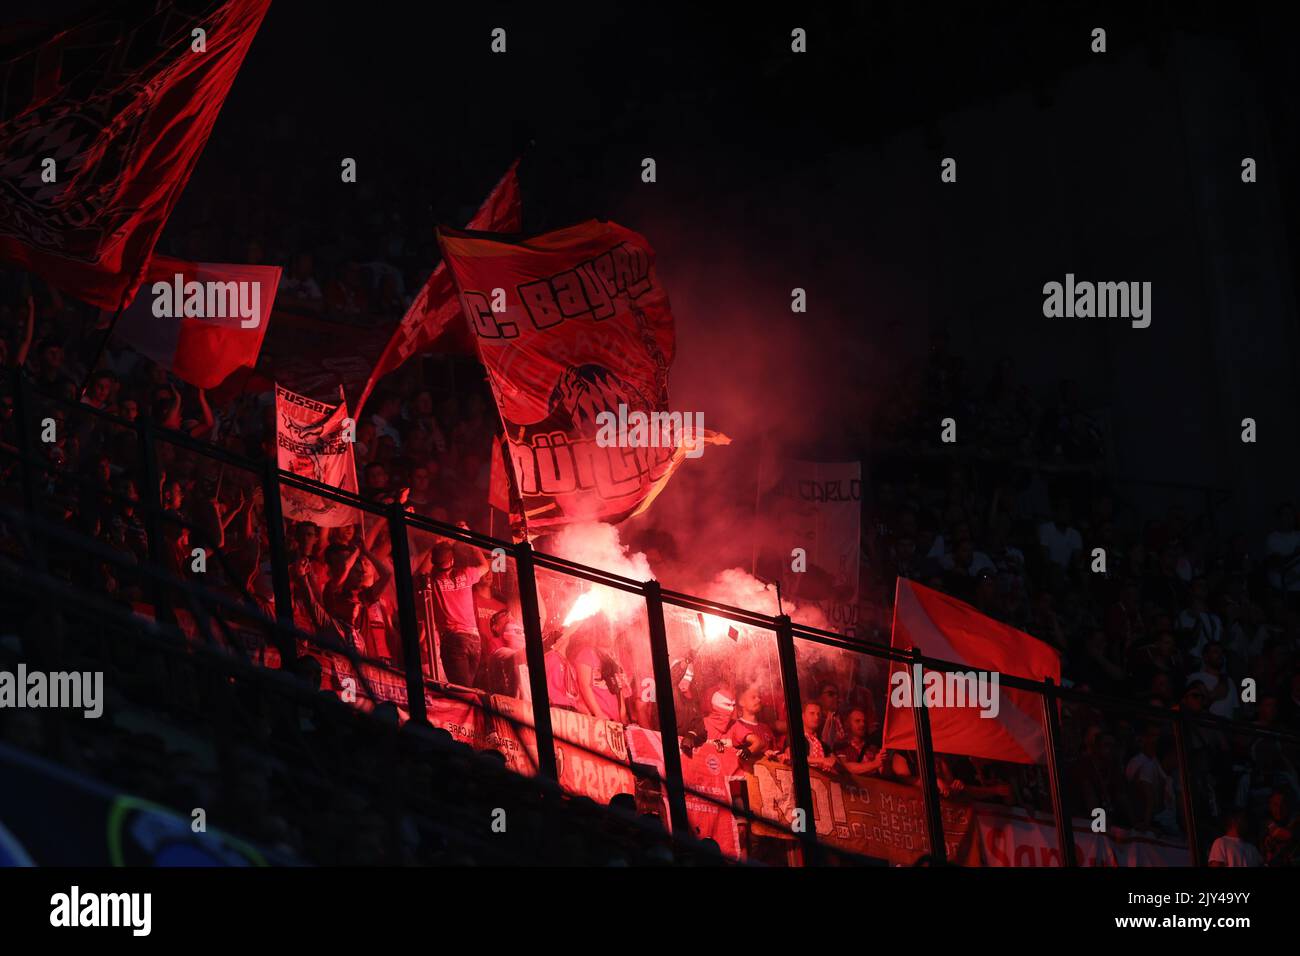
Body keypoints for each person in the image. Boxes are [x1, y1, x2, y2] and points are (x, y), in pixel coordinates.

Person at [424, 539, 489, 687]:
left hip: (453, 640)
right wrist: (470, 541)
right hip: (474, 639)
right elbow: (485, 566)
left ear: (434, 561)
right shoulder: (465, 573)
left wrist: (437, 543)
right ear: (452, 559)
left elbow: (422, 571)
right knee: (467, 689)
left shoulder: (433, 579)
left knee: (461, 691)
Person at [834, 708, 886, 775]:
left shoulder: (872, 747)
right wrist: (874, 764)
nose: (862, 724)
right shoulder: (841, 746)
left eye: (864, 721)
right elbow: (845, 768)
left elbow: (882, 771)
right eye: (857, 721)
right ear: (848, 724)